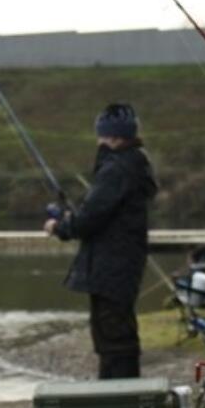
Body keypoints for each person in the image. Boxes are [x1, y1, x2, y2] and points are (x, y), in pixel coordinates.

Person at [45, 103, 158, 379]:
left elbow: (88, 221)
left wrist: (59, 226)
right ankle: (124, 395)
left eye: (102, 135)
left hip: (112, 267)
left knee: (113, 338)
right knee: (116, 334)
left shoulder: (116, 169)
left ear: (115, 137)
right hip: (120, 265)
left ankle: (119, 399)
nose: (98, 141)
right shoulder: (132, 164)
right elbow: (98, 213)